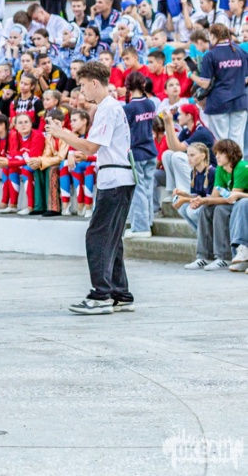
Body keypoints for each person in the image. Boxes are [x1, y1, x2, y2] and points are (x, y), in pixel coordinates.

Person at [45, 61, 136, 315]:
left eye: (84, 85)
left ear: (94, 82)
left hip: (114, 180)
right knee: (112, 238)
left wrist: (61, 134)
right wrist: (85, 153)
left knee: (97, 236)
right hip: (118, 177)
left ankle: (101, 295)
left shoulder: (107, 108)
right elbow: (103, 148)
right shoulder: (111, 107)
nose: (82, 91)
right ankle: (120, 293)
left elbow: (92, 146)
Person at [186, 139, 245, 270]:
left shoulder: (241, 167)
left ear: (230, 153)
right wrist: (201, 201)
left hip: (242, 204)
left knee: (220, 210)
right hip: (234, 203)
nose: (217, 156)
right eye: (216, 153)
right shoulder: (220, 168)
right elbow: (214, 197)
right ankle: (204, 256)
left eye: (220, 153)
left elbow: (233, 198)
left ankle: (224, 257)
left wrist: (204, 200)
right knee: (206, 208)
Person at [193, 24, 248, 147]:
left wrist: (191, 75)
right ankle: (237, 161)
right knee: (237, 142)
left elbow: (205, 84)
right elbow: (246, 78)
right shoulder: (240, 51)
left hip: (219, 102)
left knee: (221, 142)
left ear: (213, 36)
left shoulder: (211, 55)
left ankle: (225, 161)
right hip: (240, 101)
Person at [122, 73, 158, 238]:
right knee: (147, 189)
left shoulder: (128, 108)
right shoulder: (150, 103)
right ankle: (147, 221)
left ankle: (141, 227)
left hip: (136, 153)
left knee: (138, 190)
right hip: (151, 150)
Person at [170, 142, 215, 232]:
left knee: (191, 211)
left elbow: (209, 199)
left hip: (211, 206)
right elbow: (196, 196)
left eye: (192, 155)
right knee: (182, 207)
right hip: (202, 203)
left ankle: (208, 234)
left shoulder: (212, 172)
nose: (189, 159)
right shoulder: (194, 173)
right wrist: (183, 194)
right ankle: (200, 234)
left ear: (202, 156)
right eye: (188, 155)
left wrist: (184, 199)